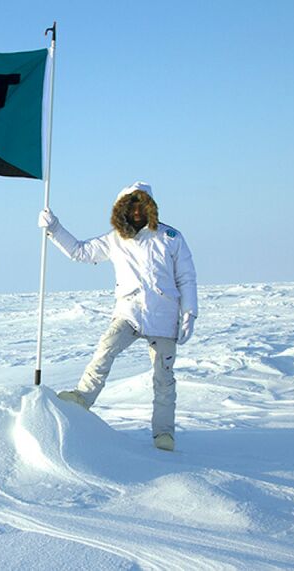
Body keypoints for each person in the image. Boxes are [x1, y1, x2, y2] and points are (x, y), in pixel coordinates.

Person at [38, 181, 197, 451]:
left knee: (164, 378)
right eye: (131, 205)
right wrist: (54, 229)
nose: (136, 211)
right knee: (105, 349)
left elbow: (186, 277)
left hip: (163, 316)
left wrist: (189, 312)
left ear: (150, 207)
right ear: (122, 209)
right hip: (129, 312)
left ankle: (163, 435)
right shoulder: (115, 240)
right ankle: (83, 397)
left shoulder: (171, 237)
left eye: (141, 204)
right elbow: (81, 252)